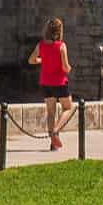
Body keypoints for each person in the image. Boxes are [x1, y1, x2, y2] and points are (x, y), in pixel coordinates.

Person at [29, 17, 73, 151]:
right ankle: (55, 131)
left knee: (51, 112)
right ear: (59, 31)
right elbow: (65, 68)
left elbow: (31, 60)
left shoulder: (41, 45)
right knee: (68, 108)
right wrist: (69, 68)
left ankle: (53, 144)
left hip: (45, 82)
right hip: (59, 82)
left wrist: (41, 60)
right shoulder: (61, 46)